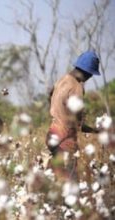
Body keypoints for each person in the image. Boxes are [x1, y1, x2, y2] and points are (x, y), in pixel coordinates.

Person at [46, 51, 100, 180]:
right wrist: (95, 130)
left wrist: (59, 111)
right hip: (65, 138)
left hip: (52, 133)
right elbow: (77, 122)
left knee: (56, 176)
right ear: (87, 72)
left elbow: (50, 94)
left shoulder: (62, 80)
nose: (91, 77)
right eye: (91, 74)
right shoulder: (76, 87)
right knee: (71, 179)